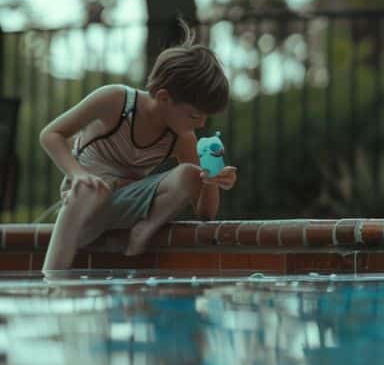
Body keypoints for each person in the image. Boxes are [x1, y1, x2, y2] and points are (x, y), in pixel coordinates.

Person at [38, 21, 237, 273]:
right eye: (194, 115)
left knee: (189, 172)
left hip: (128, 209)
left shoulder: (181, 136)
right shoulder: (116, 102)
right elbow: (51, 134)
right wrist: (77, 174)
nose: (201, 124)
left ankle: (145, 229)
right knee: (91, 189)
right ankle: (51, 277)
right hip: (84, 208)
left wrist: (212, 182)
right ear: (164, 98)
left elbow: (205, 214)